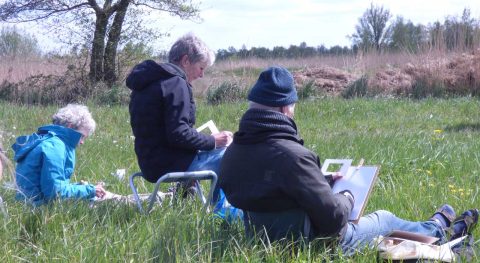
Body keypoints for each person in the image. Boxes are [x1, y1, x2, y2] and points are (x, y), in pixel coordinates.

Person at [219, 66, 478, 255]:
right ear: (286, 108)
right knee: (384, 219)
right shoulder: (292, 156)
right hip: (313, 242)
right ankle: (436, 229)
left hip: (265, 238)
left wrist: (319, 180)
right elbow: (333, 221)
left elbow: (273, 187)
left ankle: (435, 230)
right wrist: (347, 197)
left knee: (383, 226)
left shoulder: (234, 152)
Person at [126, 33, 233, 204]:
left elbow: (164, 132)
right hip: (170, 164)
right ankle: (222, 213)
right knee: (232, 156)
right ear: (185, 61)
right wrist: (213, 141)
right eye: (201, 68)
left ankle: (184, 195)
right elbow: (178, 134)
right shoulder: (176, 84)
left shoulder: (147, 83)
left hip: (150, 163)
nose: (201, 75)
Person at [13, 104, 107, 206]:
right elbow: (55, 193)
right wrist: (89, 190)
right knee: (108, 201)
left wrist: (81, 187)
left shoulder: (47, 140)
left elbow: (49, 186)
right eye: (82, 136)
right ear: (70, 126)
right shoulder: (55, 147)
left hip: (26, 203)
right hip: (37, 208)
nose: (82, 142)